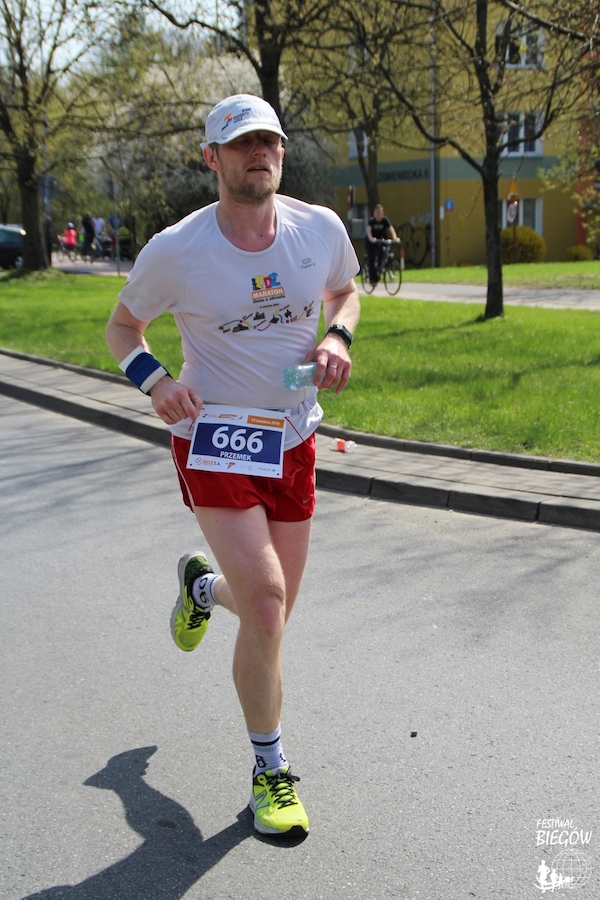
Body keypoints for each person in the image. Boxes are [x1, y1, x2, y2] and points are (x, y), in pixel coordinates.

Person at [105, 93, 360, 839]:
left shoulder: (319, 229)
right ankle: (269, 770)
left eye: (269, 141)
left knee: (268, 614)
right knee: (269, 604)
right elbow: (123, 327)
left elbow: (345, 292)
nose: (260, 154)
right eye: (243, 143)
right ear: (212, 159)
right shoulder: (178, 250)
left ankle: (201, 588)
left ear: (281, 152)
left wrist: (338, 337)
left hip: (293, 438)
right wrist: (156, 382)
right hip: (214, 438)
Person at [365, 203, 400, 286]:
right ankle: (372, 279)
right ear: (374, 213)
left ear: (382, 213)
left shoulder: (385, 220)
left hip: (381, 240)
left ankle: (381, 267)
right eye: (376, 212)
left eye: (380, 212)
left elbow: (391, 228)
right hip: (371, 241)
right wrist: (371, 238)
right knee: (372, 257)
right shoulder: (372, 221)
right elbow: (368, 230)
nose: (378, 214)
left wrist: (395, 238)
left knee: (384, 251)